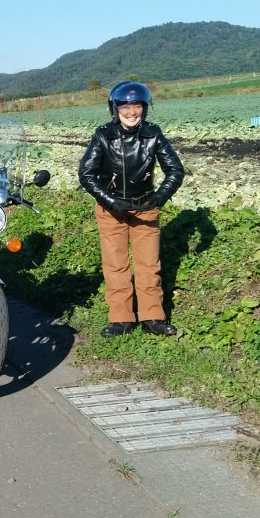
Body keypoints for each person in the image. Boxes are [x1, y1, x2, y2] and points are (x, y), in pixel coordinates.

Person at [78, 81, 184, 337]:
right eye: (125, 107)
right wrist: (110, 200)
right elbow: (86, 174)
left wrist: (159, 197)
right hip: (111, 210)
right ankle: (121, 319)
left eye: (137, 106)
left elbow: (175, 170)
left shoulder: (153, 134)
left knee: (149, 264)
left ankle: (153, 317)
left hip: (145, 207)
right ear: (115, 109)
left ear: (145, 108)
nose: (132, 112)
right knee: (116, 265)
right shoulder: (103, 135)